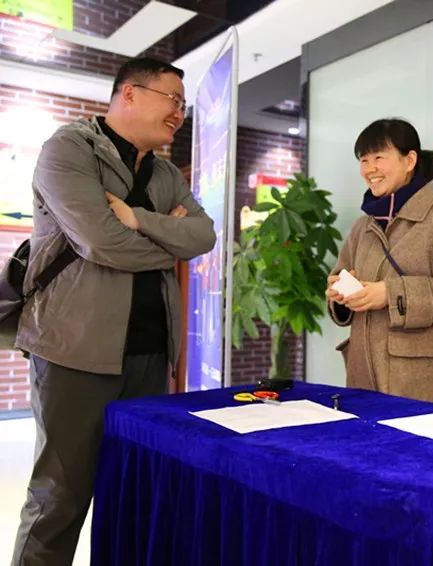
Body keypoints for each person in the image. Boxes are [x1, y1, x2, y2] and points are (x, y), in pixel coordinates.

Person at [12, 57, 216, 565]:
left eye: (183, 104)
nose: (179, 113)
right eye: (172, 99)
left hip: (150, 354)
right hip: (74, 350)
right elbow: (101, 241)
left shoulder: (164, 172)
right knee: (60, 498)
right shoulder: (68, 150)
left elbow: (204, 236)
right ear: (129, 93)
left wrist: (139, 220)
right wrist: (168, 243)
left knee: (135, 493)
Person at [326, 118, 433, 406]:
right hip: (363, 377)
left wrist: (389, 294)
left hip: (423, 381)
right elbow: (341, 276)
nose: (369, 168)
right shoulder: (362, 227)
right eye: (364, 160)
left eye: (379, 157)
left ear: (409, 160)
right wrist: (340, 295)